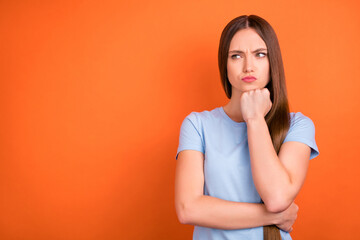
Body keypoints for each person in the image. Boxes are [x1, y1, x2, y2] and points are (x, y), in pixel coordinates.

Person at [174, 15, 319, 240]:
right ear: (225, 64)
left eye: (260, 54)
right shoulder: (197, 125)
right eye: (236, 56)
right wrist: (273, 217)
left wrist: (254, 119)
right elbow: (188, 208)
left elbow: (277, 198)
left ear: (273, 63)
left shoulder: (297, 126)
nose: (248, 66)